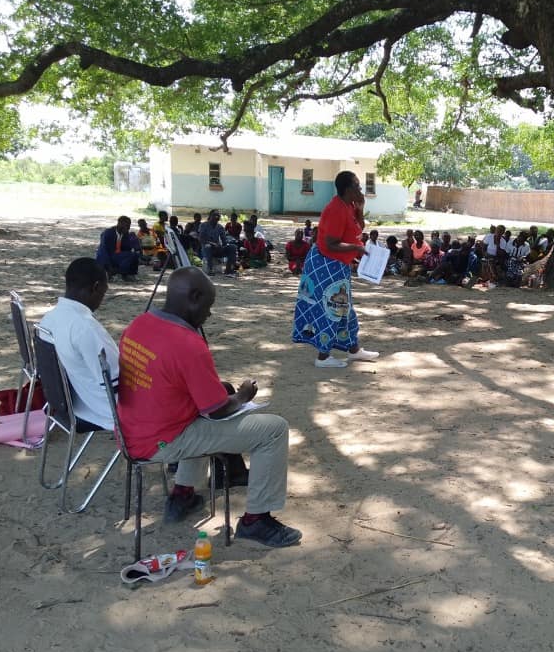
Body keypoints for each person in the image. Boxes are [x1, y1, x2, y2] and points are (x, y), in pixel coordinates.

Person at [117, 267, 301, 546]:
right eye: (208, 306)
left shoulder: (139, 324)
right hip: (163, 443)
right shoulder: (188, 343)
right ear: (194, 297)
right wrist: (242, 396)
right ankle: (256, 521)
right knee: (274, 429)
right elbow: (216, 409)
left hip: (132, 431)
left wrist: (224, 393)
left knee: (202, 411)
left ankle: (183, 494)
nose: (209, 314)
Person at [292, 170, 380, 369]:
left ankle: (353, 349)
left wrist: (360, 209)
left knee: (345, 309)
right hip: (326, 264)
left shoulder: (349, 206)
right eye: (357, 186)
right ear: (348, 189)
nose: (360, 190)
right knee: (332, 307)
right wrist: (356, 248)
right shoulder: (335, 209)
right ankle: (322, 357)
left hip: (338, 266)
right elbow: (331, 244)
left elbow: (359, 228)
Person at [38, 258, 118, 430]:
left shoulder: (49, 319)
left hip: (71, 402)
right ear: (96, 287)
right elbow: (116, 381)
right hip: (104, 410)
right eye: (104, 293)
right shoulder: (85, 328)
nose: (101, 300)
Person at [95, 215, 140, 281]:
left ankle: (128, 274)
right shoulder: (108, 233)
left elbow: (127, 249)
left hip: (117, 255)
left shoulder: (125, 234)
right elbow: (103, 251)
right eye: (127, 225)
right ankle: (112, 272)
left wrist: (133, 241)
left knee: (134, 255)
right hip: (107, 257)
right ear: (120, 224)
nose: (129, 228)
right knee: (130, 256)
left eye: (129, 226)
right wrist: (108, 267)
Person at [199, 210, 238, 277]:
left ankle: (228, 269)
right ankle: (210, 269)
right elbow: (201, 239)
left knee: (233, 247)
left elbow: (224, 241)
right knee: (208, 247)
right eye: (215, 215)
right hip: (206, 249)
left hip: (217, 249)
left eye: (218, 215)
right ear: (210, 216)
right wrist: (212, 243)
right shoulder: (203, 225)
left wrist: (223, 246)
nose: (217, 216)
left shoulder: (220, 227)